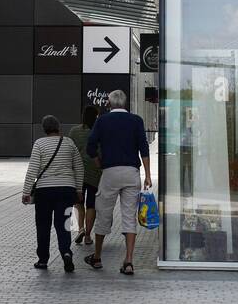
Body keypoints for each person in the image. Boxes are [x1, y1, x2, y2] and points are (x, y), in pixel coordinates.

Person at [85, 90, 151, 275]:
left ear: (109, 103)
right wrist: (147, 174)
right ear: (125, 103)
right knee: (129, 216)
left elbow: (90, 145)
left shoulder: (102, 121)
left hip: (110, 172)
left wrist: (99, 163)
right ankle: (129, 261)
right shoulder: (136, 120)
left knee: (103, 213)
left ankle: (97, 257)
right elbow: (144, 148)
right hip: (132, 172)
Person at [22, 115, 83, 272]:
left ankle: (43, 259)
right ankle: (66, 253)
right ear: (59, 127)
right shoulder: (69, 143)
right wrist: (79, 189)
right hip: (66, 191)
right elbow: (79, 167)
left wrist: (26, 191)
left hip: (44, 192)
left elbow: (33, 169)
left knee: (43, 225)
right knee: (63, 224)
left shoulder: (39, 144)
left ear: (44, 129)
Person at [67, 105, 101, 246]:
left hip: (78, 173)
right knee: (91, 204)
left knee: (78, 202)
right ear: (95, 116)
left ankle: (80, 228)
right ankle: (87, 235)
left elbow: (69, 150)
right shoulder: (99, 131)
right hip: (95, 172)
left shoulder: (74, 131)